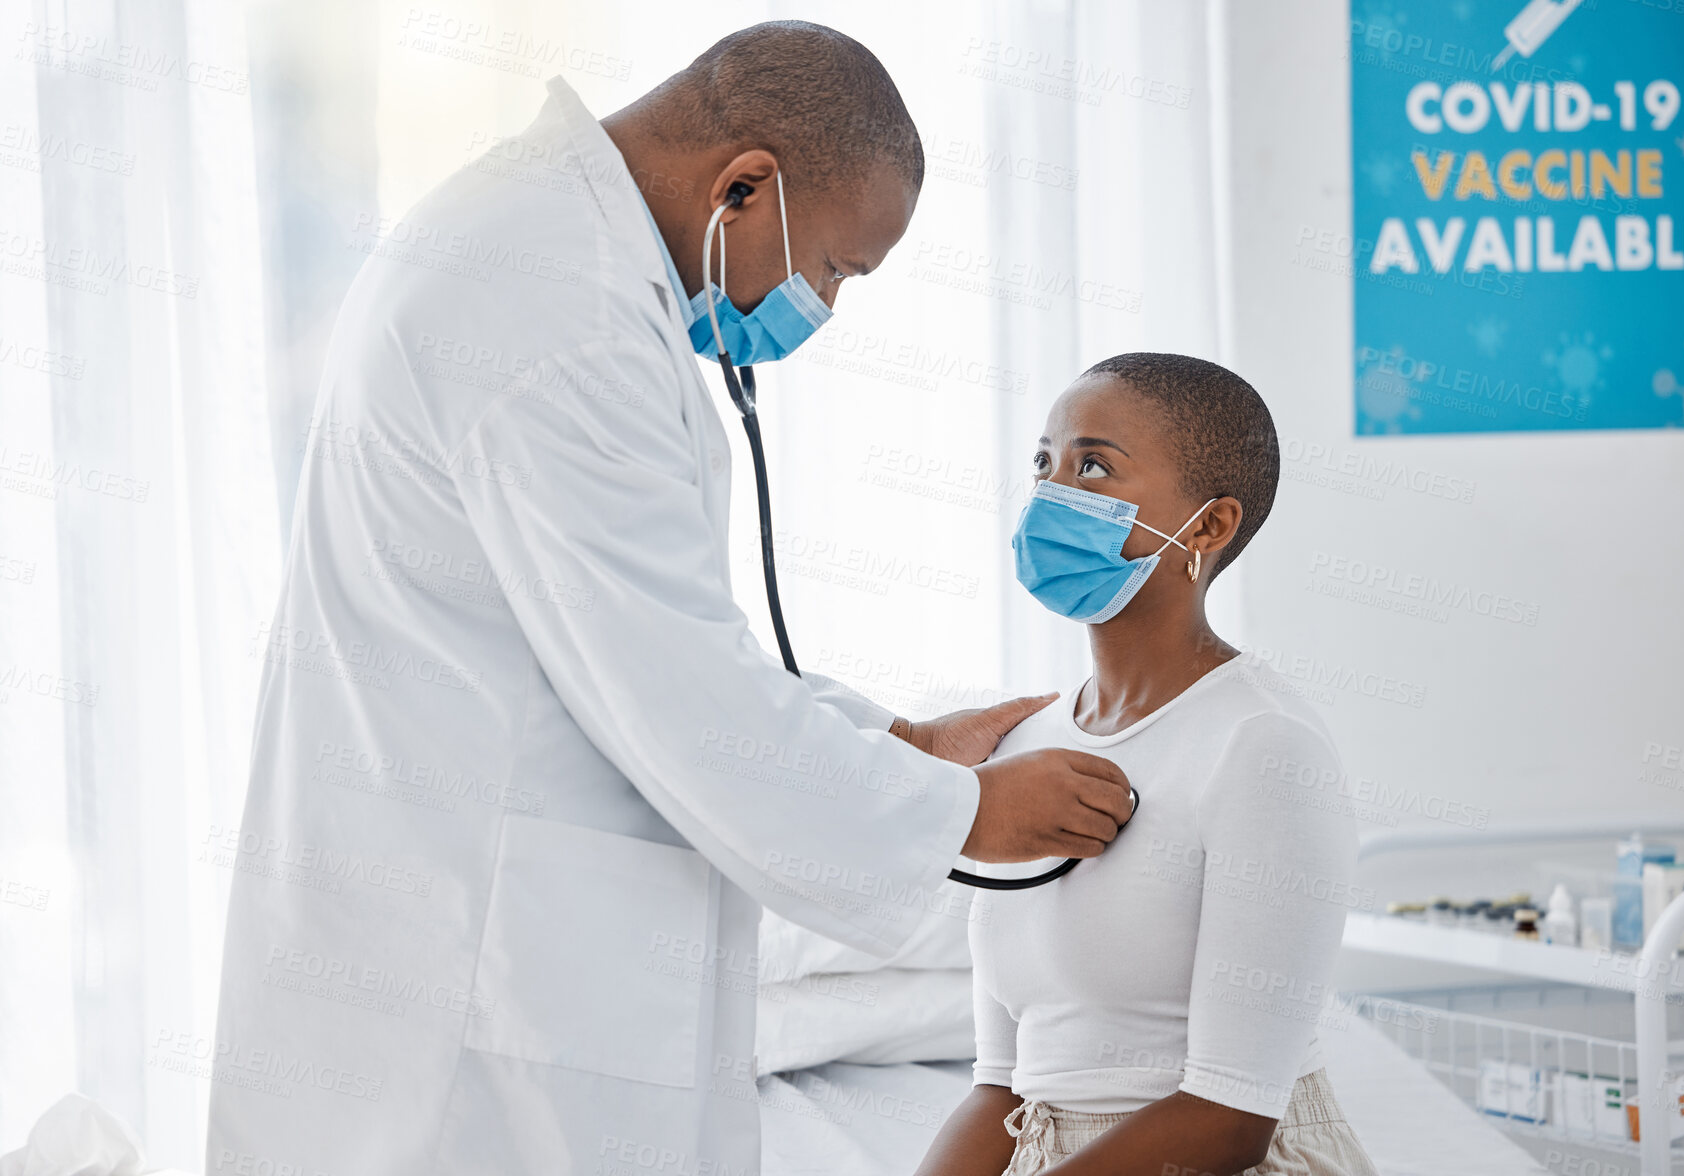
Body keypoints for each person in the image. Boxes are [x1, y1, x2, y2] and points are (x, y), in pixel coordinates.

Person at [207, 22, 1134, 1176]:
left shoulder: (546, 250)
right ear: (744, 186)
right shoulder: (557, 314)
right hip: (468, 976)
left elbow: (647, 644)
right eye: (835, 268)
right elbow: (686, 703)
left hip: (489, 919)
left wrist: (902, 745)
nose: (823, 307)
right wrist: (968, 817)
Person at [915, 355, 1378, 1176]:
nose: (1051, 492)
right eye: (1043, 462)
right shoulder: (1022, 747)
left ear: (1206, 527)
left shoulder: (1263, 746)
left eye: (1092, 466)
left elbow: (1228, 1118)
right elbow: (1002, 1086)